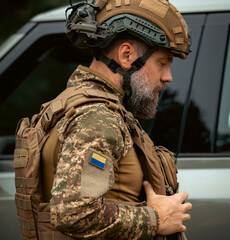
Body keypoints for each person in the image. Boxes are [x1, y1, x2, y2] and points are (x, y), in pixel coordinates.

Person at [42, 0, 192, 239]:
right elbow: (75, 213)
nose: (168, 77)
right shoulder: (98, 118)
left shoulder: (73, 105)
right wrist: (155, 219)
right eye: (162, 63)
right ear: (126, 56)